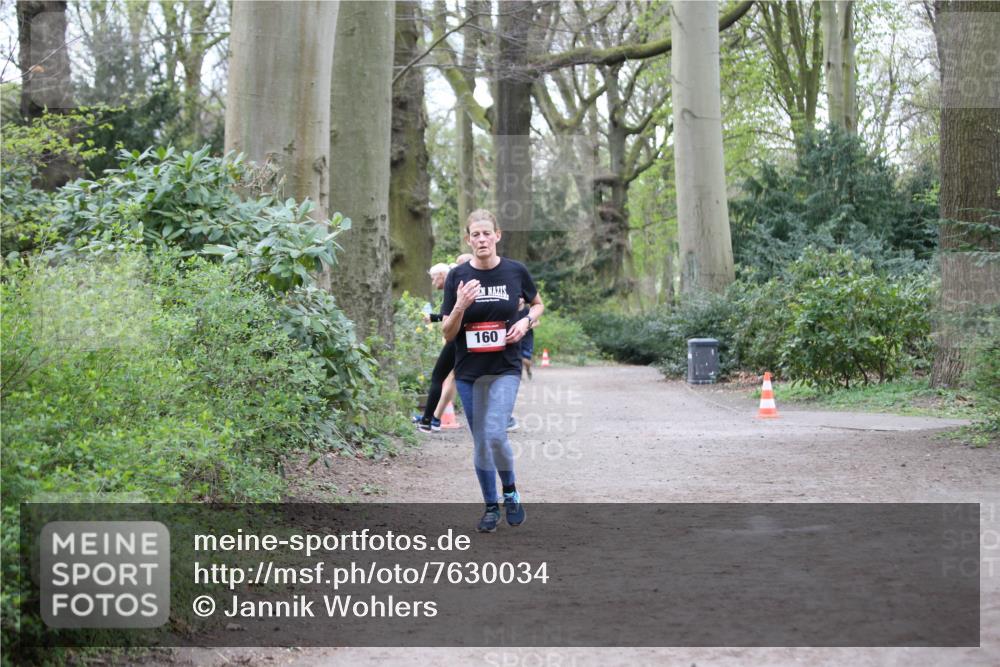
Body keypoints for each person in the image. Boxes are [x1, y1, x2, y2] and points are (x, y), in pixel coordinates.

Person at [441, 209, 543, 532]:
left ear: (497, 236)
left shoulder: (515, 271)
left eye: (487, 233)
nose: (481, 239)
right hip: (469, 371)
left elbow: (537, 304)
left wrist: (526, 322)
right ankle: (490, 506)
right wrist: (459, 305)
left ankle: (510, 491)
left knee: (496, 434)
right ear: (468, 240)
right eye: (475, 234)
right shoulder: (457, 277)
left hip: (505, 368)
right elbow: (447, 332)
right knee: (481, 442)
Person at [415, 254, 473, 432]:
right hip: (468, 337)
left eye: (434, 279)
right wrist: (434, 318)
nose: (433, 283)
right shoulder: (471, 283)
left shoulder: (457, 283)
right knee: (453, 378)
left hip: (458, 338)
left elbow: (455, 314)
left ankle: (428, 420)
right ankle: (435, 418)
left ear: (442, 275)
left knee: (440, 377)